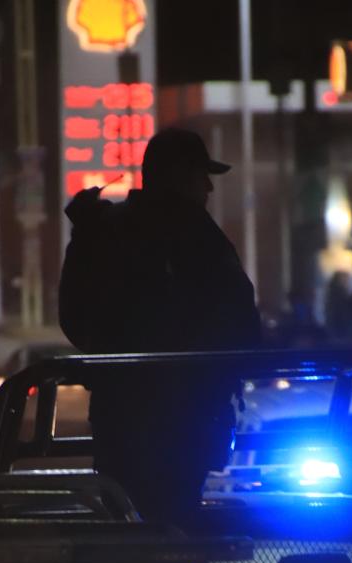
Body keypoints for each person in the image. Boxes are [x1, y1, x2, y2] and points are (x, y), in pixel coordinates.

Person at [58, 127, 260, 523]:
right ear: (178, 176)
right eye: (201, 176)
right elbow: (240, 320)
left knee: (125, 524)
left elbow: (76, 318)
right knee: (176, 526)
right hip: (188, 416)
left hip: (119, 417)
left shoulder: (103, 230)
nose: (208, 188)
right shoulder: (197, 234)